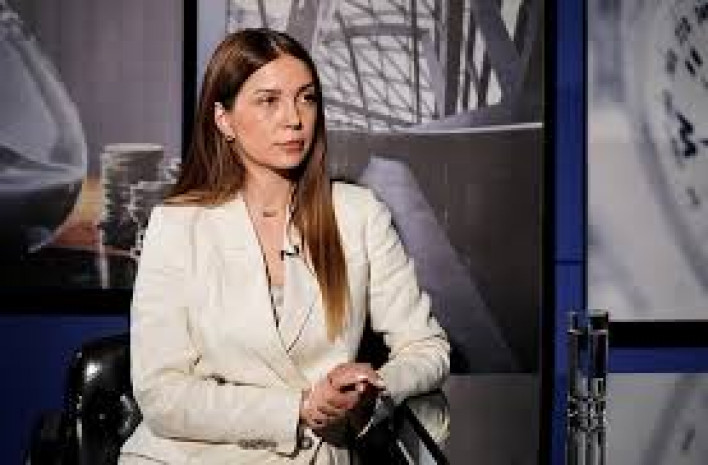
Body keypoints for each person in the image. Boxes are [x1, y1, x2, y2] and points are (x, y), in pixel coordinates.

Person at [118, 28, 450, 465]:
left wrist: (370, 391)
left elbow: (427, 347)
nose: (294, 119)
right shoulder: (177, 225)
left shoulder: (359, 213)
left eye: (306, 98)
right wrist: (298, 407)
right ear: (224, 119)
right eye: (268, 100)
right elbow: (161, 395)